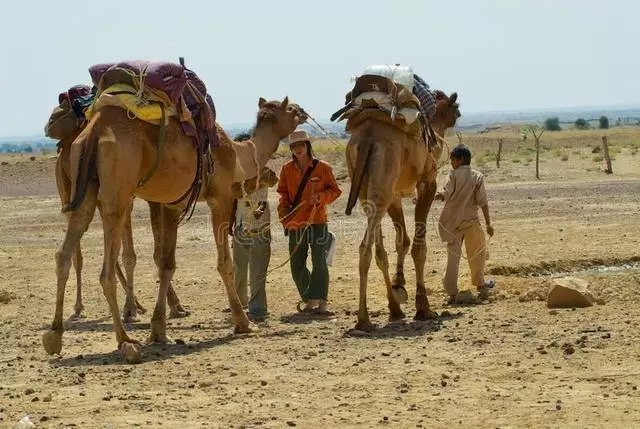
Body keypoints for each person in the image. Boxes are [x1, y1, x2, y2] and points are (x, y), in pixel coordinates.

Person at [277, 130, 342, 315]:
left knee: (319, 262)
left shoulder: (323, 167)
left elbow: (335, 191)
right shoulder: (286, 169)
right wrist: (283, 214)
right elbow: (283, 194)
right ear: (291, 149)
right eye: (294, 146)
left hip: (318, 221)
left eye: (301, 145)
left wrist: (321, 197)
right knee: (296, 265)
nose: (298, 149)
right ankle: (310, 298)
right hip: (295, 223)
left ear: (308, 146)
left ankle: (321, 302)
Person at [435, 144, 495, 304]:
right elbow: (483, 202)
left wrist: (427, 198)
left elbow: (443, 194)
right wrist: (488, 224)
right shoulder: (477, 177)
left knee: (452, 258)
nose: (451, 162)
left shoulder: (452, 176)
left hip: (452, 223)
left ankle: (452, 293)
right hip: (471, 223)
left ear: (461, 159)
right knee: (477, 254)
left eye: (453, 159)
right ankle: (481, 285)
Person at [231, 167, 278, 322]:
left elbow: (270, 186)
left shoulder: (263, 171)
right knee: (239, 267)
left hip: (259, 225)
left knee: (258, 268)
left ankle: (258, 307)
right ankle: (239, 302)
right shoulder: (235, 173)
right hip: (240, 223)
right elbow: (233, 199)